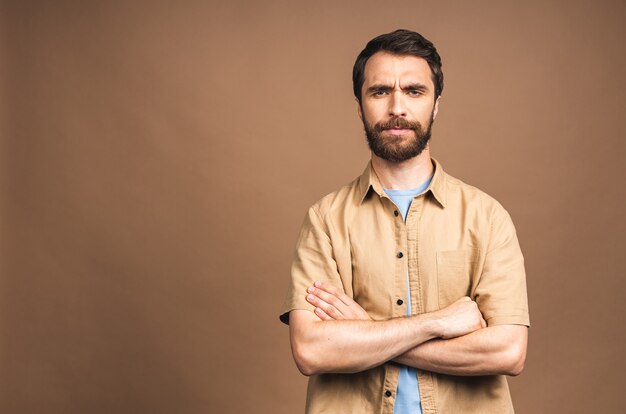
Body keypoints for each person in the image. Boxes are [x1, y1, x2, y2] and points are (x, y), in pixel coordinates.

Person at [279, 29, 529, 414]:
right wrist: (441, 322)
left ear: (436, 104)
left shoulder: (487, 217)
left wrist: (365, 331)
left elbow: (508, 352)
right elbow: (312, 350)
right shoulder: (325, 220)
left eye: (414, 91)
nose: (397, 107)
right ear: (359, 107)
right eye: (380, 91)